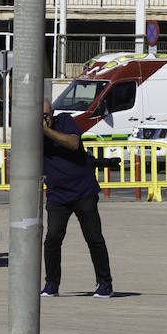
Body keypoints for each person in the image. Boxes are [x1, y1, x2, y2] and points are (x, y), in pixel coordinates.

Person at [40, 99, 114, 298]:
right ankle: (52, 284)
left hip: (83, 192)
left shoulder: (65, 121)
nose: (43, 120)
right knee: (52, 239)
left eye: (45, 116)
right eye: (39, 116)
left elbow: (73, 143)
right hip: (57, 195)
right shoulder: (34, 135)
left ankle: (105, 283)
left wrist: (47, 131)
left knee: (94, 238)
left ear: (52, 114)